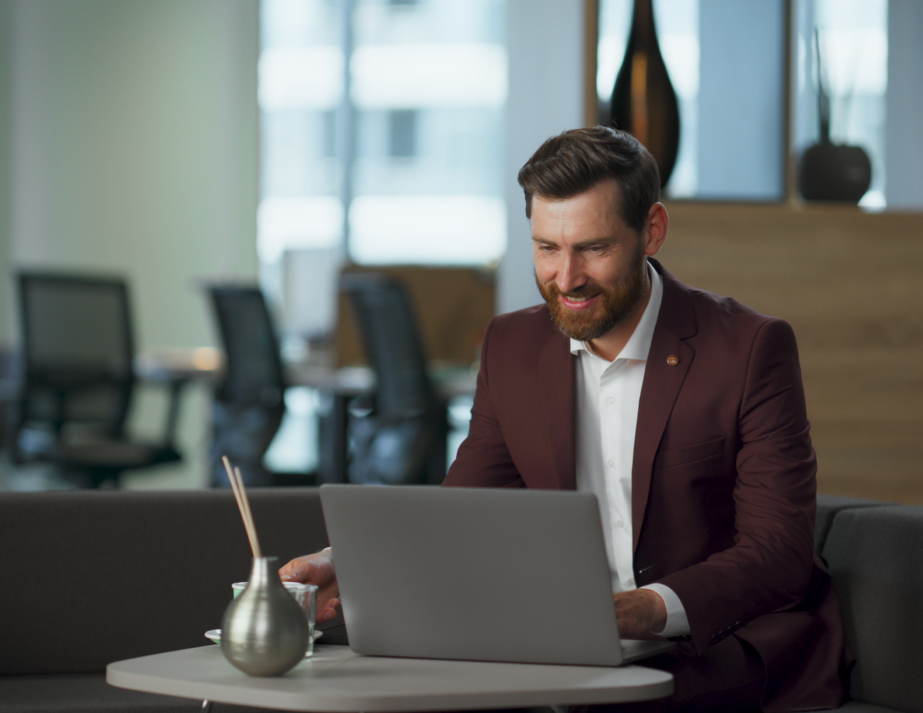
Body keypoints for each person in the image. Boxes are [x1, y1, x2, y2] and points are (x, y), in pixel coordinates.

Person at [281, 126, 847, 712]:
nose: (567, 277)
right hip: (560, 651)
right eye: (547, 248)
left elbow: (778, 550)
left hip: (711, 643)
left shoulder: (749, 348)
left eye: (594, 248)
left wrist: (643, 608)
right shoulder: (513, 346)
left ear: (652, 231)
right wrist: (343, 562)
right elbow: (464, 512)